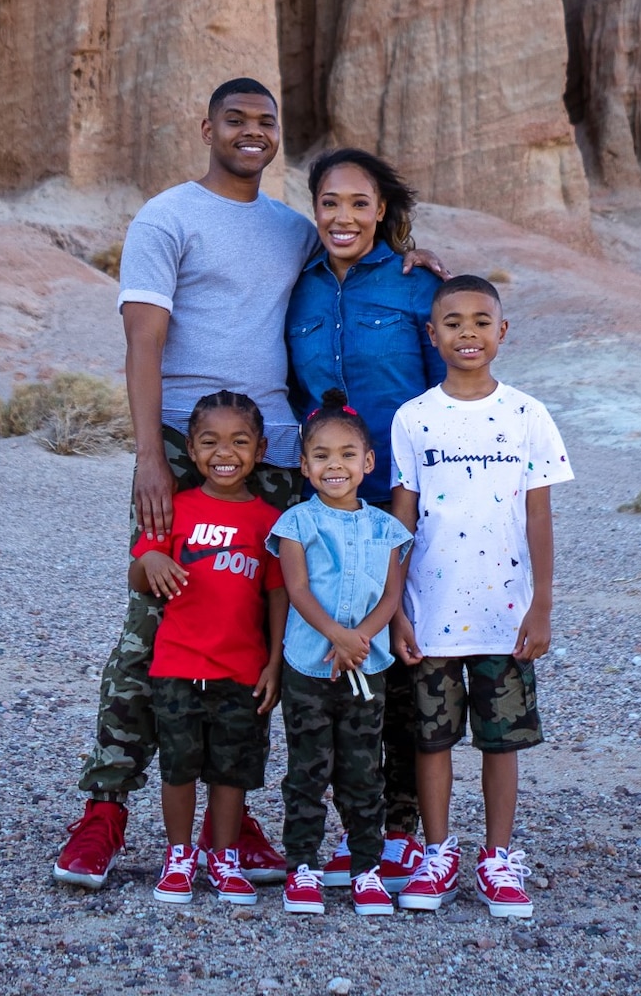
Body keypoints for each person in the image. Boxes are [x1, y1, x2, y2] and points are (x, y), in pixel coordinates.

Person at [54, 79, 443, 891]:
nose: (251, 133)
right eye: (235, 120)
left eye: (267, 122)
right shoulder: (167, 217)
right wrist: (151, 458)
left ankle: (233, 820)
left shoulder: (293, 231)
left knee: (253, 636)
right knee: (155, 626)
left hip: (275, 448)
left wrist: (414, 257)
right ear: (207, 127)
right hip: (183, 444)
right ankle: (105, 809)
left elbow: (354, 260)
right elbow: (142, 341)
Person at [388, 275, 573, 920]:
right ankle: (438, 854)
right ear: (431, 333)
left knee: (502, 741)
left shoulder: (528, 415)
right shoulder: (413, 418)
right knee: (432, 740)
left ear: (502, 332)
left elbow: (540, 517)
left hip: (504, 614)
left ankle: (498, 858)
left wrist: (541, 603)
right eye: (453, 322)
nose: (467, 332)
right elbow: (400, 521)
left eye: (481, 321)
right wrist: (396, 611)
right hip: (432, 614)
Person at [285, 147, 444, 893]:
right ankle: (335, 830)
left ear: (382, 211)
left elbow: (449, 400)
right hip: (325, 506)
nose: (342, 217)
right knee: (323, 661)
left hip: (403, 505)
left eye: (358, 203)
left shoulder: (419, 288)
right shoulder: (301, 290)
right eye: (328, 202)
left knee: (403, 666)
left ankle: (401, 830)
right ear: (312, 208)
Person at [127, 391, 286, 909]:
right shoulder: (177, 507)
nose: (225, 452)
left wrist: (274, 662)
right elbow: (139, 570)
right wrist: (149, 560)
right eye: (210, 441)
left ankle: (223, 856)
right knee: (179, 767)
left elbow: (278, 595)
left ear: (260, 449)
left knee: (230, 771)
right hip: (177, 666)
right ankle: (179, 856)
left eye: (239, 441)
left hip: (241, 671)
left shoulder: (267, 521)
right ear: (191, 451)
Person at [266, 390, 413, 918]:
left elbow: (392, 595)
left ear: (367, 463)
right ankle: (302, 867)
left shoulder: (387, 529)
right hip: (309, 664)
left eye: (348, 455)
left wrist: (361, 638)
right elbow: (298, 589)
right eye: (322, 456)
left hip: (367, 670)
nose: (336, 465)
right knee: (307, 768)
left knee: (361, 771)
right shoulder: (295, 525)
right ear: (305, 466)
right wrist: (336, 635)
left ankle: (365, 870)